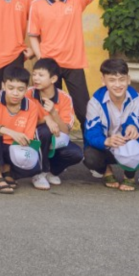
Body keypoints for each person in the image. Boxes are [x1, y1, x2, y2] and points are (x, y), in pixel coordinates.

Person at [27, 0, 101, 128]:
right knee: (49, 109)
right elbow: (33, 36)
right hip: (50, 66)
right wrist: (41, 59)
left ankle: (91, 144)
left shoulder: (76, 1)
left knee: (84, 109)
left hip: (73, 63)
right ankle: (55, 144)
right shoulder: (37, 5)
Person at [0, 65, 49, 193]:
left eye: (21, 89)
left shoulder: (31, 106)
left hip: (13, 148)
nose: (15, 93)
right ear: (3, 86)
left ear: (26, 89)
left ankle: (7, 171)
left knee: (33, 169)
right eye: (11, 88)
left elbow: (26, 138)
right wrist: (10, 132)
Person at [84, 57, 139, 191]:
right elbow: (91, 133)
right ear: (103, 81)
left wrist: (133, 127)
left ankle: (129, 175)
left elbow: (136, 122)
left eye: (122, 79)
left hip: (126, 144)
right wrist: (106, 141)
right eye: (112, 80)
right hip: (106, 146)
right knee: (90, 157)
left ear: (128, 79)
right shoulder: (94, 103)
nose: (118, 85)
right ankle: (107, 171)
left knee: (134, 146)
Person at [29, 58, 84, 186]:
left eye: (41, 75)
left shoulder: (64, 98)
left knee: (76, 154)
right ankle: (39, 173)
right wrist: (46, 119)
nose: (36, 78)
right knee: (44, 130)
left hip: (56, 140)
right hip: (32, 141)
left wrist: (54, 113)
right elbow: (23, 123)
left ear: (53, 79)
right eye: (34, 74)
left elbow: (65, 131)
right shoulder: (28, 94)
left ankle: (52, 172)